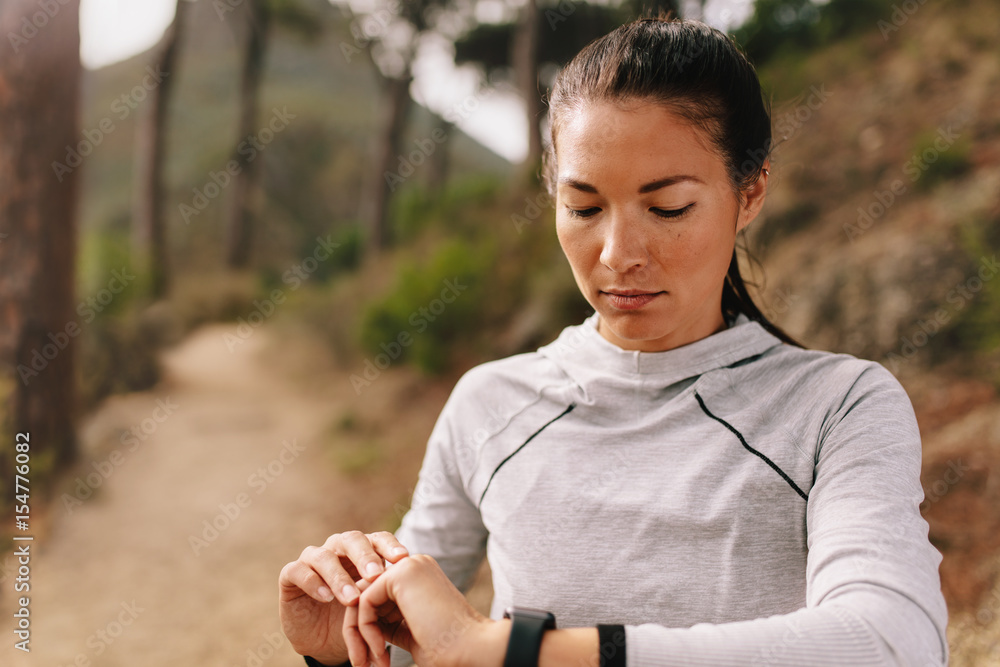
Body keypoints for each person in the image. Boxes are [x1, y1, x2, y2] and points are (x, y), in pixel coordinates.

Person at [279, 17, 948, 667]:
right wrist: (339, 644)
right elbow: (413, 642)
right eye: (584, 207)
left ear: (750, 192)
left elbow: (892, 642)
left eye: (668, 208)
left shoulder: (838, 407)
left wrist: (516, 651)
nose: (619, 253)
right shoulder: (491, 404)